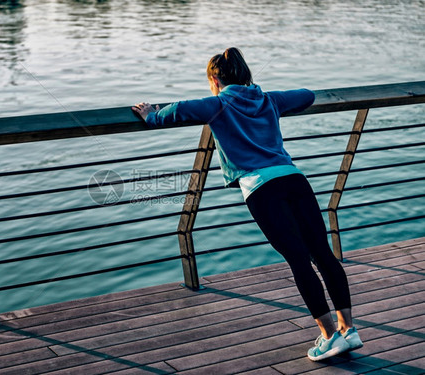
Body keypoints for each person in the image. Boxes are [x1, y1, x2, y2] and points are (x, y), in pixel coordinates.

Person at [132, 47, 363, 361]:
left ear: (215, 79)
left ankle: (328, 336)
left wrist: (151, 115)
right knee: (322, 253)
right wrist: (272, 99)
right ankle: (349, 330)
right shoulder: (268, 99)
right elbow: (307, 95)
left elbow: (179, 110)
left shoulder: (215, 104)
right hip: (294, 179)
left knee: (298, 259)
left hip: (261, 188)